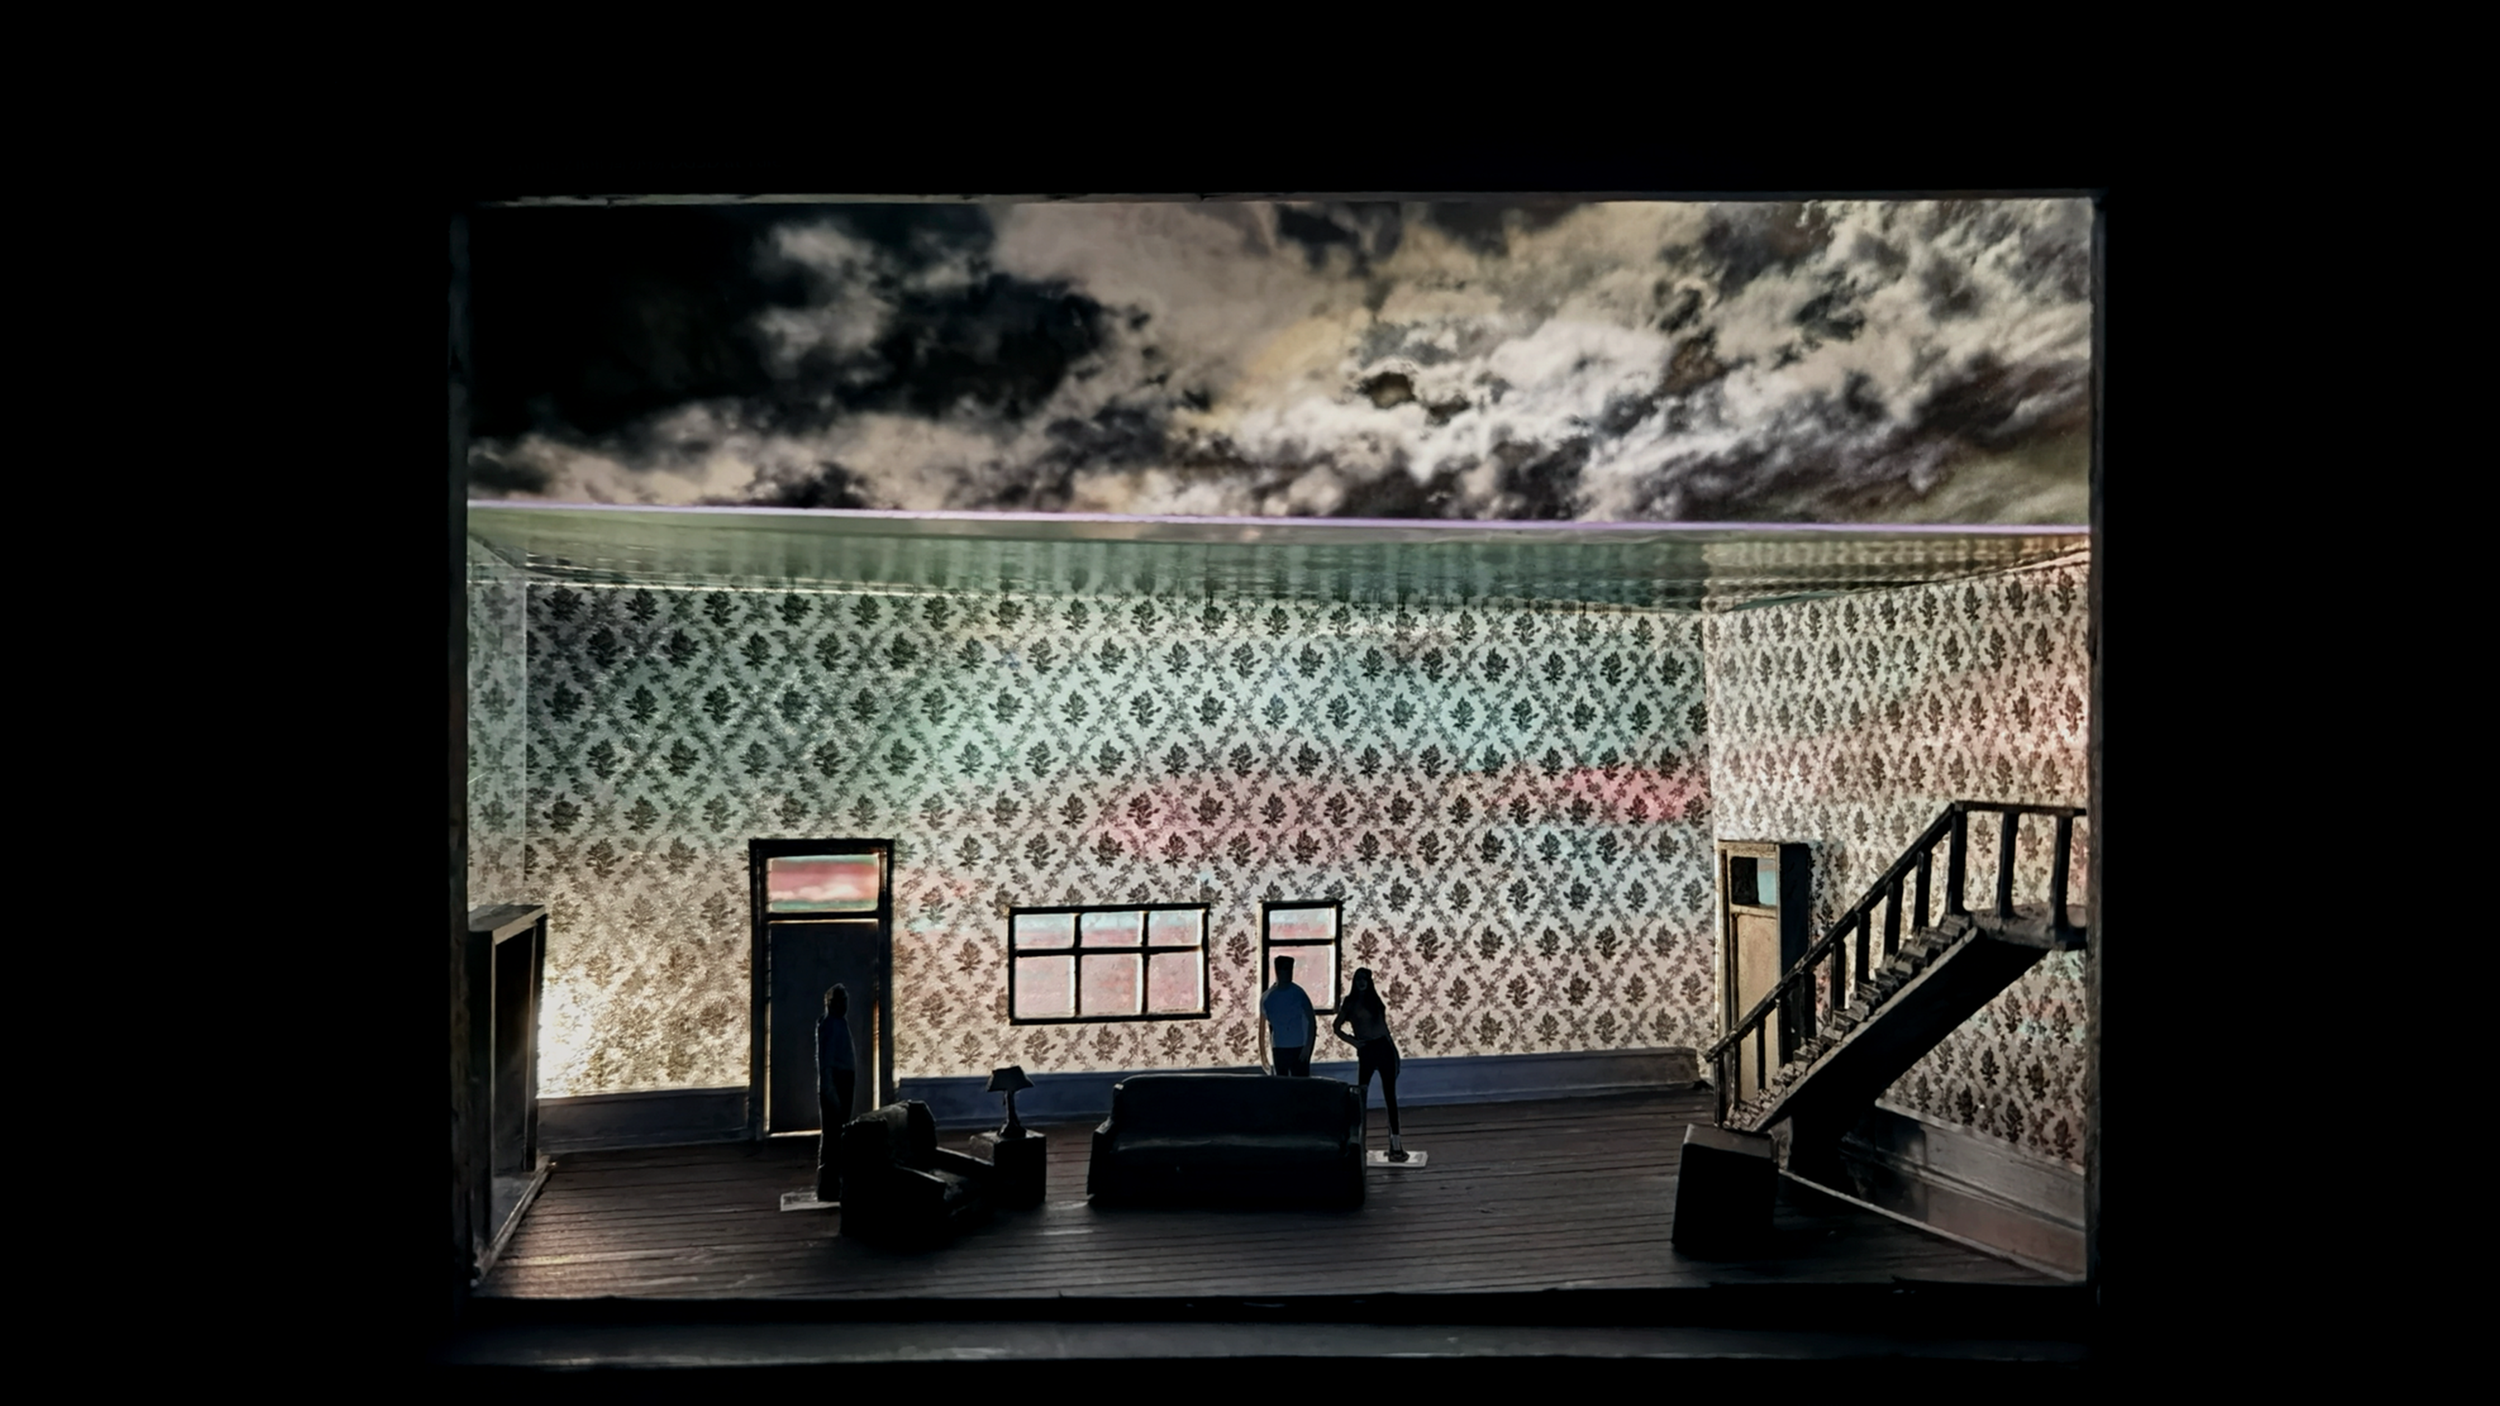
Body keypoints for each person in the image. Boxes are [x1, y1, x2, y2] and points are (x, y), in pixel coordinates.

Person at [1331, 967, 1407, 1160]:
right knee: (1361, 1096)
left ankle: (1396, 1144)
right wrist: (1354, 1042)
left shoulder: (1375, 999)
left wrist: (1394, 1053)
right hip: (1367, 1048)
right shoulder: (1350, 1002)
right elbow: (1336, 1027)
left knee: (1390, 1096)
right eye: (1359, 979)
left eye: (1365, 979)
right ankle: (1359, 1142)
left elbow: (1384, 1028)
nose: (1362, 982)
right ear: (1354, 981)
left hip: (1384, 1046)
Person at [817, 984, 858, 1201]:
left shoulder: (839, 1023)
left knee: (838, 1132)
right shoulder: (830, 1025)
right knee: (833, 1134)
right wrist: (829, 1088)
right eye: (839, 1001)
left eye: (845, 1001)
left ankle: (833, 1184)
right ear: (830, 1004)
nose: (843, 1005)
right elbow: (826, 1061)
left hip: (843, 1079)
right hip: (837, 1081)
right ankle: (828, 1186)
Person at [1261, 955, 1315, 1077]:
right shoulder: (1269, 997)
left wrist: (1307, 1047)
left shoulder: (1299, 994)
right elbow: (1267, 1026)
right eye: (1285, 969)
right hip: (1279, 1047)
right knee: (1282, 1082)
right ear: (1277, 970)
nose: (1288, 973)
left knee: (1300, 1081)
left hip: (1298, 1046)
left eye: (1290, 969)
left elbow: (1311, 1021)